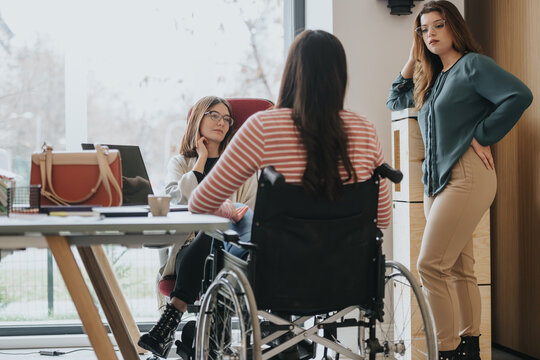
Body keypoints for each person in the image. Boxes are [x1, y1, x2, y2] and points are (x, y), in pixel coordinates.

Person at [188, 28, 392, 356]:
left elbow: (200, 202)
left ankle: (279, 342)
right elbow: (381, 219)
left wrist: (237, 212)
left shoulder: (262, 127)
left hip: (276, 277)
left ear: (291, 73)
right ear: (340, 76)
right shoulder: (364, 129)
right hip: (347, 275)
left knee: (233, 241)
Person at [386, 2, 533, 360]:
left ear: (455, 27)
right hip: (438, 183)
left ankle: (447, 352)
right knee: (458, 268)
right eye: (424, 29)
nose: (432, 33)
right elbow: (394, 100)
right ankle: (469, 348)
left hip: (467, 175)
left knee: (430, 265)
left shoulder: (473, 65)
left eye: (439, 25)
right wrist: (412, 59)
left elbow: (519, 95)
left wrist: (481, 134)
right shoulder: (433, 79)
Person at [138, 96, 257, 358]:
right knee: (209, 231)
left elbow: (248, 211)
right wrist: (201, 159)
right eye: (214, 115)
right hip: (189, 252)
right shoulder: (181, 163)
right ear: (198, 119)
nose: (221, 122)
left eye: (226, 119)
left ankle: (171, 324)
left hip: (231, 250)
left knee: (217, 230)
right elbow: (177, 200)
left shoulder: (243, 168)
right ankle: (208, 340)